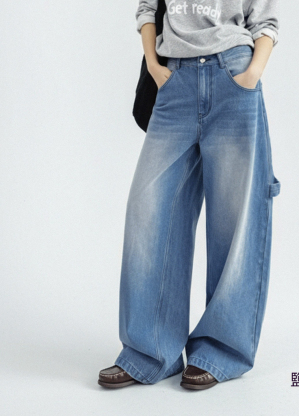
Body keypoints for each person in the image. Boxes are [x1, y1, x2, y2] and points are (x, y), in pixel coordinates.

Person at [98, 0, 281, 390]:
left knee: (234, 219)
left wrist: (252, 74)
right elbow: (147, 8)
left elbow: (265, 20)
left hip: (233, 74)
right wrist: (153, 64)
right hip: (175, 79)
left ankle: (221, 351)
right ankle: (149, 352)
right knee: (148, 210)